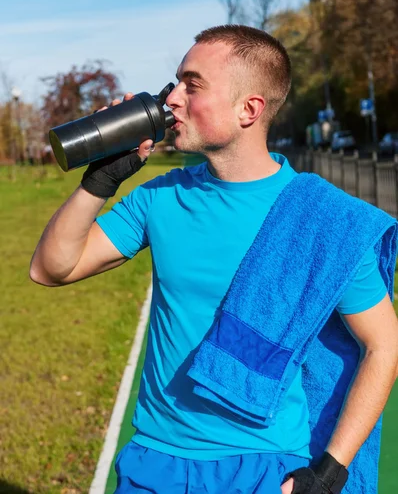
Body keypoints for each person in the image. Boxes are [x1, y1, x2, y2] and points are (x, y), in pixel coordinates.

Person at [30, 25, 398, 494]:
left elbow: (383, 345)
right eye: (177, 82)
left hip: (264, 467)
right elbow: (50, 268)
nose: (173, 100)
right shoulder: (160, 199)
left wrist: (330, 473)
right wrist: (100, 181)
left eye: (193, 84)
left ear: (249, 109)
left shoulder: (323, 222)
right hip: (155, 461)